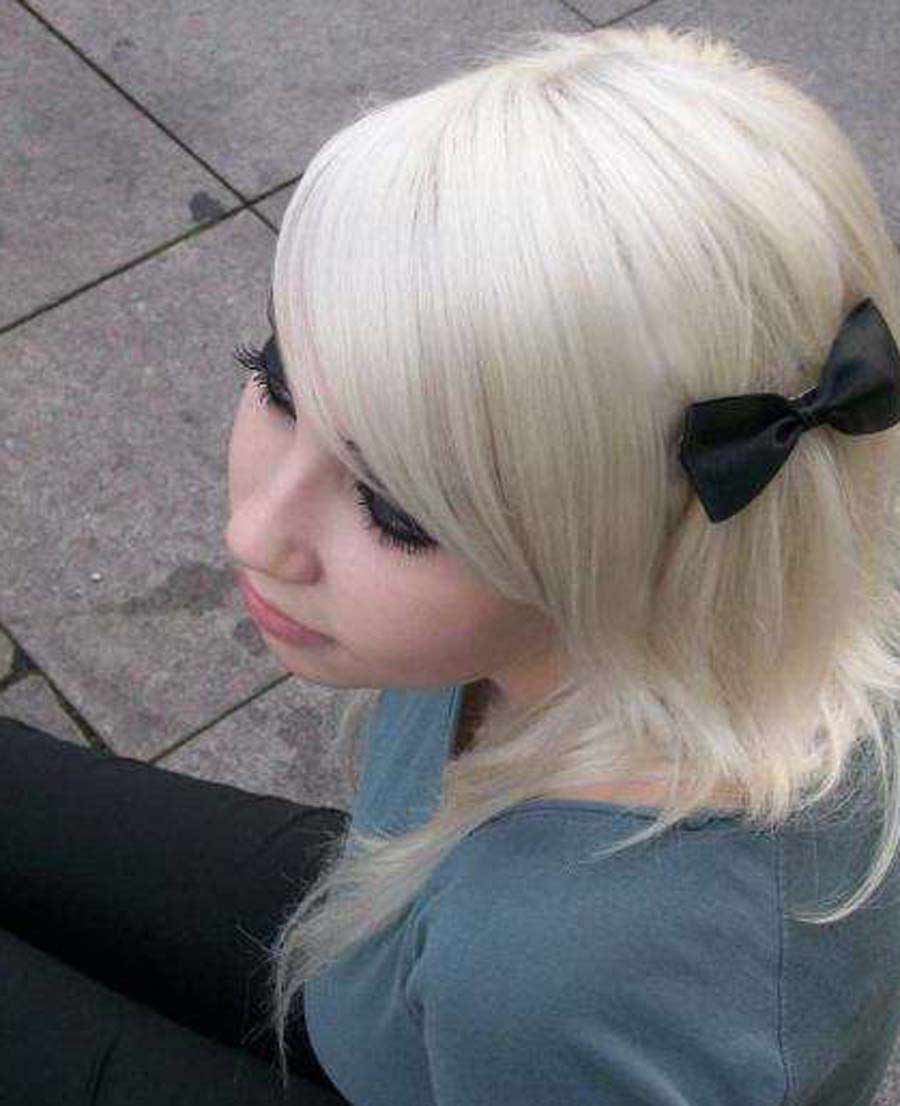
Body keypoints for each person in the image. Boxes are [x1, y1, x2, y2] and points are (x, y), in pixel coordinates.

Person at [4, 20, 900, 1106]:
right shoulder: (751, 593)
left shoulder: (553, 977)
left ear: (628, 537)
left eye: (397, 507)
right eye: (278, 382)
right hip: (401, 940)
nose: (256, 535)